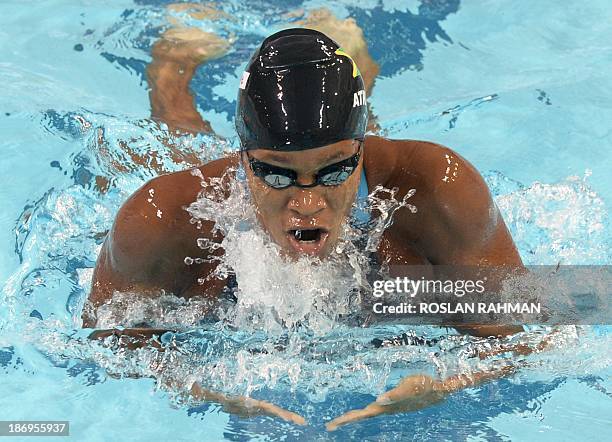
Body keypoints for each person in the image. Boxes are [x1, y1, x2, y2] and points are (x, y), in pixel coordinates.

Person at [85, 21, 528, 429]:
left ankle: (352, 60)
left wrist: (444, 386)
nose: (307, 203)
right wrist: (207, 392)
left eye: (334, 171)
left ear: (361, 152)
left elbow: (537, 335)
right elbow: (105, 346)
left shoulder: (436, 193)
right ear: (244, 159)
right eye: (276, 174)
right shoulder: (164, 219)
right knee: (180, 143)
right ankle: (172, 65)